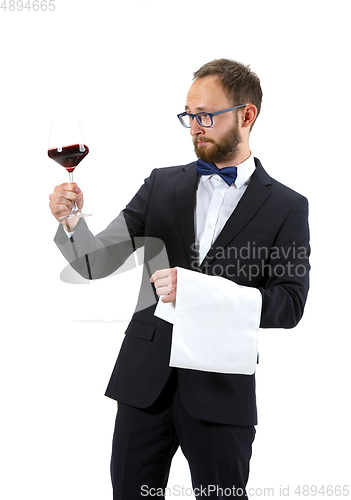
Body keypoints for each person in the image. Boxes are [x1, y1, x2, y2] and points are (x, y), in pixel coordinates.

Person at [49, 59, 310, 499]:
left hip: (221, 391)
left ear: (247, 115)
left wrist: (199, 293)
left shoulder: (287, 205)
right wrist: (72, 225)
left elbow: (289, 305)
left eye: (206, 115)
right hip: (143, 383)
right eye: (188, 116)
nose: (194, 127)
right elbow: (94, 263)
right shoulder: (162, 184)